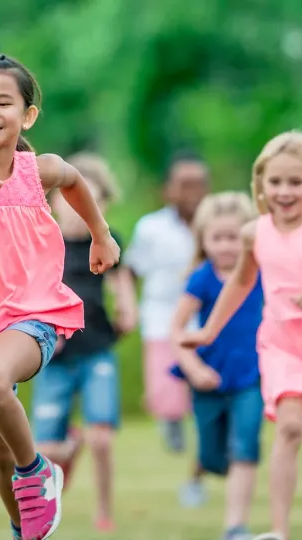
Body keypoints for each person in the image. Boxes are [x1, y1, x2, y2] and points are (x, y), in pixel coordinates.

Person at [0, 53, 120, 540]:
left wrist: (101, 234)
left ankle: (39, 473)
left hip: (33, 314)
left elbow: (75, 181)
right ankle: (23, 526)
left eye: (4, 101)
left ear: (26, 116)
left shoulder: (39, 171)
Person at [181, 130, 302, 540]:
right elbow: (239, 283)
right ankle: (279, 531)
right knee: (288, 429)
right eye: (275, 182)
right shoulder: (256, 233)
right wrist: (209, 331)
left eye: (295, 182)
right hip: (280, 343)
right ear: (262, 185)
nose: (284, 191)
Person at [30, 153, 137, 534]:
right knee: (45, 449)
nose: (77, 208)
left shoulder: (107, 241)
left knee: (103, 439)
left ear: (102, 204)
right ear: (55, 200)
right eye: (69, 198)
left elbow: (120, 283)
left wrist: (127, 307)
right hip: (53, 357)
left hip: (96, 351)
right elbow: (30, 293)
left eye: (91, 198)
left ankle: (104, 509)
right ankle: (67, 451)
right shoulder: (44, 242)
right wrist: (41, 331)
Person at [170, 192, 264, 540]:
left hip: (252, 375)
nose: (226, 246)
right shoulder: (202, 278)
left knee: (246, 444)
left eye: (234, 238)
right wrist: (193, 368)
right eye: (217, 238)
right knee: (213, 457)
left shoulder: (259, 273)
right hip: (209, 377)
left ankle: (235, 525)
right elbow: (177, 330)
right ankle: (205, 469)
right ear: (204, 240)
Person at [124, 152, 210, 453]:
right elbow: (131, 269)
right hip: (161, 320)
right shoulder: (151, 228)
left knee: (206, 387)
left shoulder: (216, 226)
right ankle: (172, 428)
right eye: (184, 184)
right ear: (169, 189)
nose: (192, 192)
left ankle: (206, 441)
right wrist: (127, 306)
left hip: (207, 321)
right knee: (166, 391)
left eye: (198, 184)